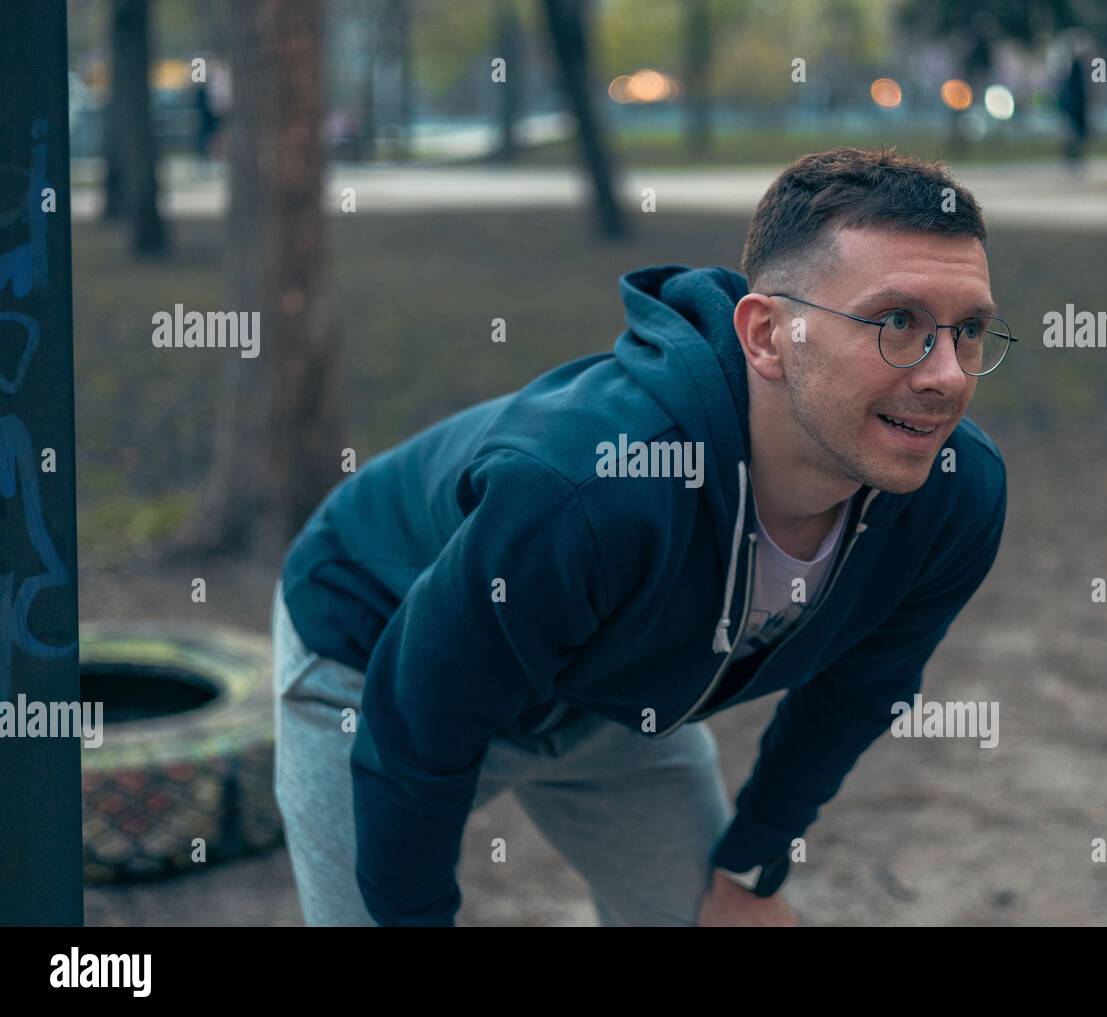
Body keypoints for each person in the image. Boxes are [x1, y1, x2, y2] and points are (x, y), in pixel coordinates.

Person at [271, 146, 1010, 927]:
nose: (948, 376)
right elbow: (416, 737)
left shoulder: (952, 493)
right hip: (372, 652)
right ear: (765, 335)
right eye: (898, 322)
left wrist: (747, 863)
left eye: (968, 331)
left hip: (616, 697)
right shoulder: (588, 492)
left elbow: (860, 689)